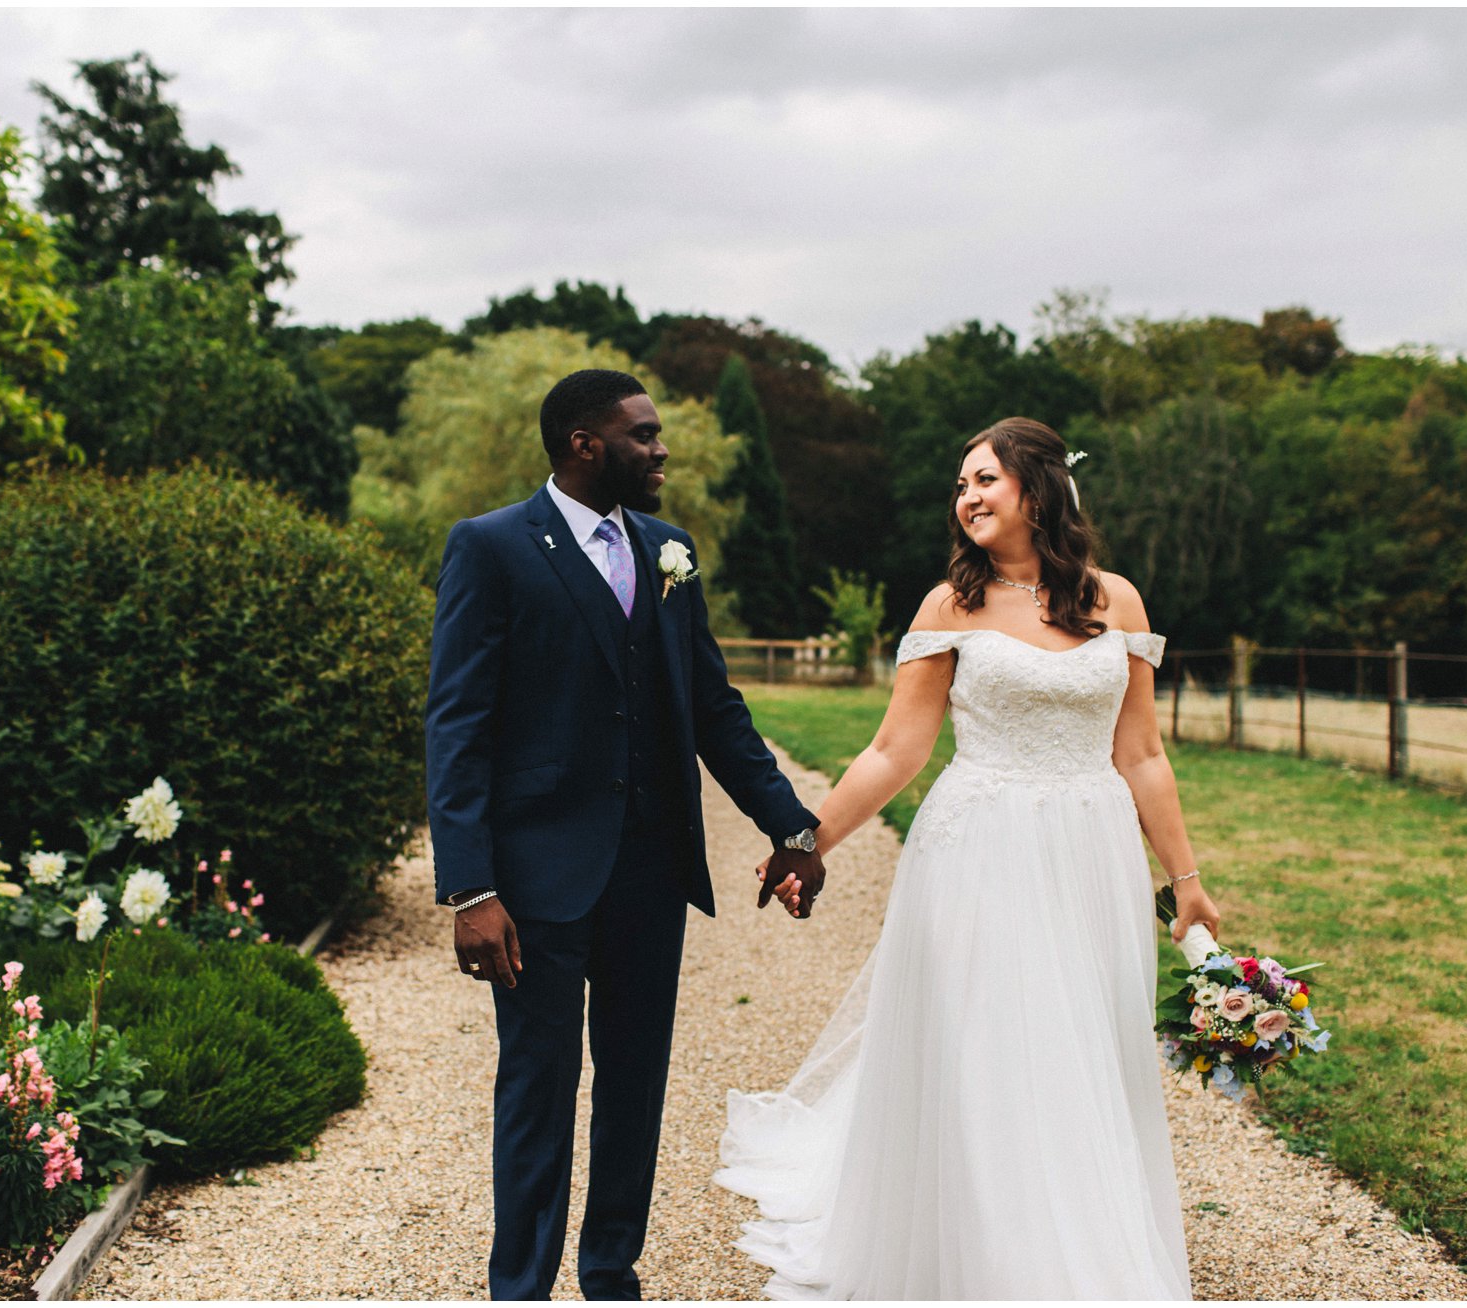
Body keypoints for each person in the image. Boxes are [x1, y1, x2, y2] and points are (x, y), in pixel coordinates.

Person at [715, 416, 1221, 1299]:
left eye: (983, 479)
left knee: (1084, 1046)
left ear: (1039, 487)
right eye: (960, 485)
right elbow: (892, 753)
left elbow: (1141, 754)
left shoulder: (1120, 602)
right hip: (980, 850)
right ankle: (994, 1256)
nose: (968, 498)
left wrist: (1187, 885)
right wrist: (807, 840)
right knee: (991, 1041)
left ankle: (1086, 1240)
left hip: (1092, 855)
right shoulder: (950, 606)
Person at [425, 368, 829, 1301]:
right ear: (584, 444)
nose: (660, 450)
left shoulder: (669, 550)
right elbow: (457, 726)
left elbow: (714, 709)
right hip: (535, 879)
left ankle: (611, 1276)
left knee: (635, 1086)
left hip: (651, 870)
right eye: (643, 435)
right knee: (537, 1089)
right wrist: (471, 889)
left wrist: (792, 826)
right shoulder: (491, 548)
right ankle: (519, 1287)